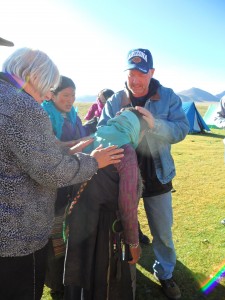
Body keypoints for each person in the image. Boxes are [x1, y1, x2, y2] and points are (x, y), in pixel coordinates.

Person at [0, 47, 124, 300]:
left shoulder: (5, 97)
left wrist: (65, 148)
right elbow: (51, 173)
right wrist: (92, 162)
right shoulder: (23, 107)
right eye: (49, 86)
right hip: (18, 233)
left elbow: (21, 149)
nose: (48, 94)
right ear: (35, 76)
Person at [98, 48, 190, 300]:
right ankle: (123, 271)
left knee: (162, 231)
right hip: (120, 177)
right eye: (130, 73)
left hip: (158, 176)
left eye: (141, 73)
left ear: (151, 72)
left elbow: (182, 129)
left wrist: (154, 124)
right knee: (120, 227)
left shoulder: (168, 97)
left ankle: (166, 274)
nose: (135, 79)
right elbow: (101, 130)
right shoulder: (115, 100)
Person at [63, 107, 147, 300]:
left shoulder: (93, 137)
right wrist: (133, 242)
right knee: (102, 278)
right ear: (135, 129)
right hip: (105, 229)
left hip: (81, 219)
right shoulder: (125, 151)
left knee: (81, 270)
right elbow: (127, 203)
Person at [42, 75, 95, 299]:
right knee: (55, 237)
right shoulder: (43, 115)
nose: (71, 100)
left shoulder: (73, 115)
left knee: (68, 232)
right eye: (66, 95)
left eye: (73, 95)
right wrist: (71, 146)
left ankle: (69, 277)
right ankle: (56, 284)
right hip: (52, 189)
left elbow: (81, 136)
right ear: (52, 95)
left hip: (72, 183)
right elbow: (44, 151)